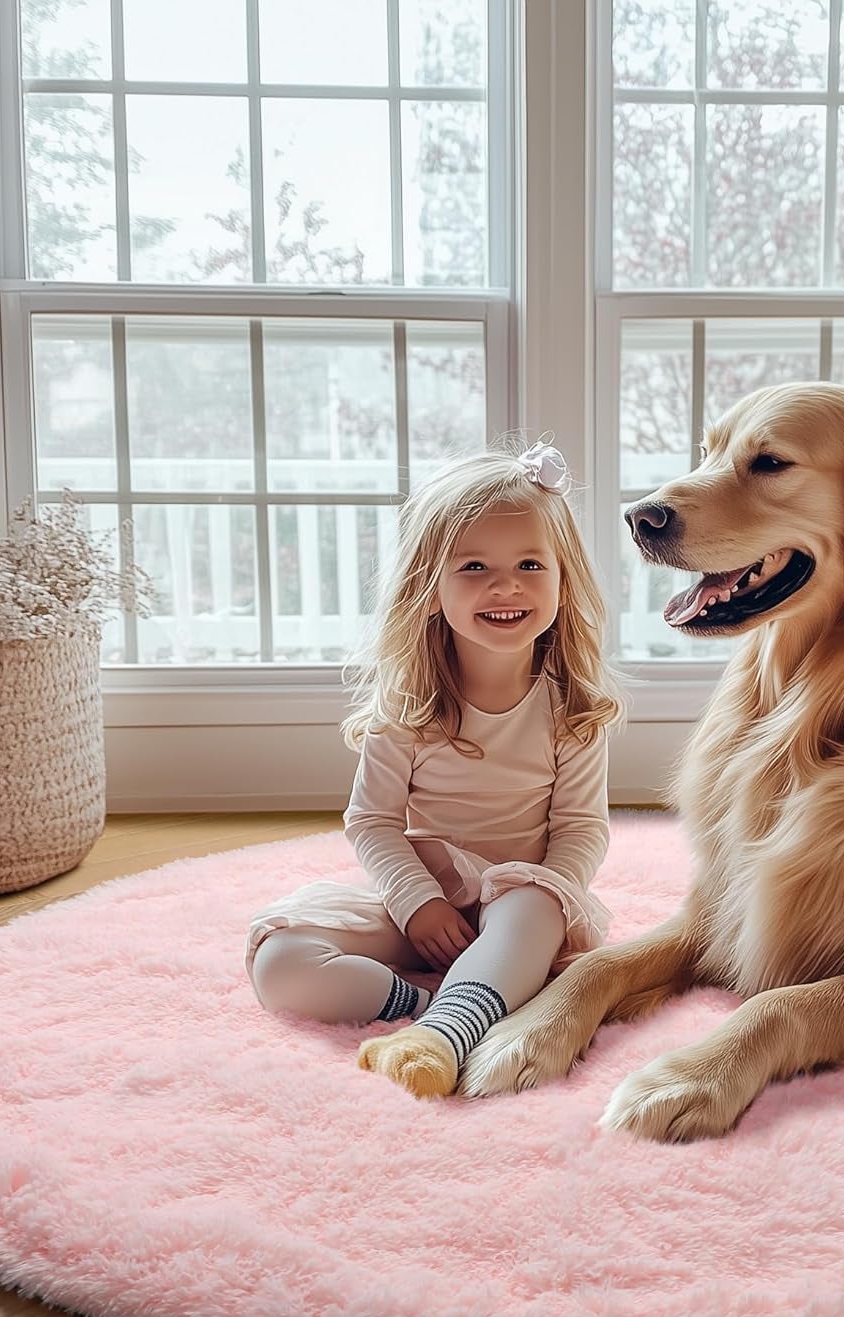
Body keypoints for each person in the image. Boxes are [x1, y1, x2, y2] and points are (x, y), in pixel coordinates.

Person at [244, 441, 627, 1099]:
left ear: (564, 581)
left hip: (519, 907)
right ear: (430, 590)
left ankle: (450, 1030)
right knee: (279, 963)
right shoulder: (409, 707)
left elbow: (580, 831)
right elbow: (372, 822)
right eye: (474, 566)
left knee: (532, 906)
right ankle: (447, 1010)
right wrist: (417, 903)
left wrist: (552, 897)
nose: (505, 585)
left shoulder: (571, 709)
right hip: (426, 900)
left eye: (530, 564)